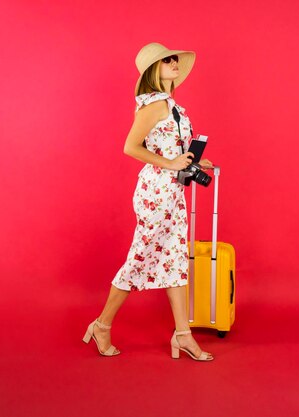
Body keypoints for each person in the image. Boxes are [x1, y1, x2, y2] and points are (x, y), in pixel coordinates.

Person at [82, 42, 214, 361]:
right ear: (154, 70)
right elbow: (131, 146)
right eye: (167, 61)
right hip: (156, 191)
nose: (174, 64)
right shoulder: (153, 105)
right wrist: (169, 164)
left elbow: (172, 148)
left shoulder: (172, 106)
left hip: (174, 191)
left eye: (174, 60)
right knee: (140, 259)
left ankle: (183, 334)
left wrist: (192, 162)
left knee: (175, 260)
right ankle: (101, 324)